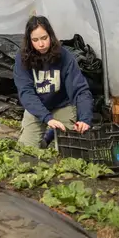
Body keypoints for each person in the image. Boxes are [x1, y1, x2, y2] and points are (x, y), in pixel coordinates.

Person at [13, 15, 93, 149]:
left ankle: (50, 136)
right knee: (26, 151)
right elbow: (26, 93)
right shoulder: (22, 59)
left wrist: (85, 119)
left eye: (44, 38)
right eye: (35, 40)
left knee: (66, 151)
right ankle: (47, 136)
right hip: (36, 108)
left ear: (50, 35)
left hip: (62, 106)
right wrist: (47, 118)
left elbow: (80, 89)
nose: (41, 44)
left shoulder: (64, 56)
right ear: (29, 41)